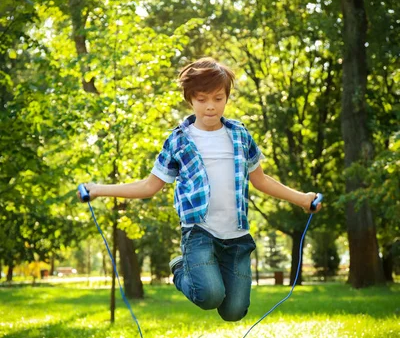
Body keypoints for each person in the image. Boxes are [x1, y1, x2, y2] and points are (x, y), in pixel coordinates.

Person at [78, 57, 321, 322]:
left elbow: (261, 180)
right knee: (209, 296)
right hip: (199, 232)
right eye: (202, 99)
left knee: (234, 311)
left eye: (218, 98)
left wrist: (302, 198)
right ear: (190, 99)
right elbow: (149, 186)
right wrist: (99, 189)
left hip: (237, 237)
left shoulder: (240, 135)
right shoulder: (179, 141)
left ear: (226, 98)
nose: (210, 107)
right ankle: (181, 268)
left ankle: (209, 276)